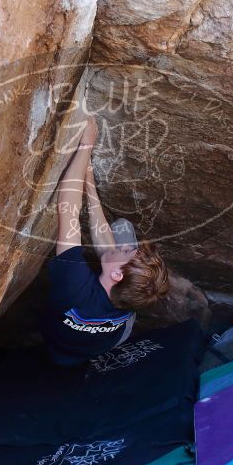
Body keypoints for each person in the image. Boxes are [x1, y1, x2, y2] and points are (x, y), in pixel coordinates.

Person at [40, 112, 170, 366]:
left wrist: (86, 145)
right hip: (109, 336)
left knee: (120, 230)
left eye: (127, 252)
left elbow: (67, 211)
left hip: (60, 337)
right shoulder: (131, 296)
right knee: (117, 240)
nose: (125, 247)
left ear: (118, 275)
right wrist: (88, 180)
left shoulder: (74, 286)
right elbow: (105, 245)